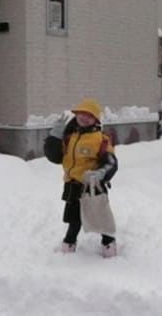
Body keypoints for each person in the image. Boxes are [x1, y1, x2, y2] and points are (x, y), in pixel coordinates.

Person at [44, 98, 118, 257]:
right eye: (81, 114)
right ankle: (69, 242)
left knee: (100, 216)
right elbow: (56, 157)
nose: (84, 118)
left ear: (95, 120)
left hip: (92, 185)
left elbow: (111, 162)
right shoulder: (70, 136)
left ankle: (108, 243)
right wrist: (53, 138)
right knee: (74, 218)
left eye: (89, 116)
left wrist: (101, 173)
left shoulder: (100, 139)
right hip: (72, 184)